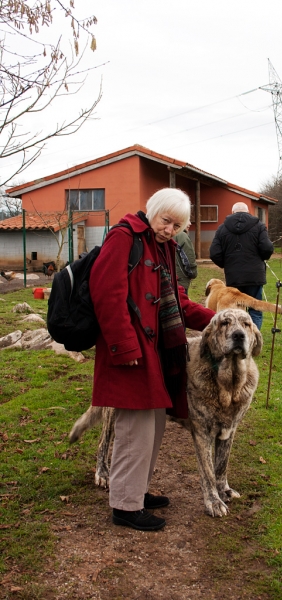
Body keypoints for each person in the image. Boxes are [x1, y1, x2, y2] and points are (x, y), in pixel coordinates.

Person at [89, 188, 215, 531]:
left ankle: (137, 491)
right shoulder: (124, 237)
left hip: (156, 349)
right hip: (131, 350)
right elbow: (107, 294)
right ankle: (125, 507)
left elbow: (177, 300)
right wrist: (124, 347)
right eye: (166, 220)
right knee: (136, 428)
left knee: (154, 424)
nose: (170, 229)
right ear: (153, 211)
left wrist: (216, 319)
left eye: (177, 225)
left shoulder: (163, 247)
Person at [209, 201, 274, 330]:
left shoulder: (223, 228)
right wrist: (262, 258)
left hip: (233, 277)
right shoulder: (259, 226)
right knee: (255, 308)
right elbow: (267, 247)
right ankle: (252, 339)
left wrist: (225, 264)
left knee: (234, 311)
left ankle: (235, 338)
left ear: (233, 212)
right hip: (254, 275)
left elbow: (214, 252)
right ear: (247, 212)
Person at [173, 220, 198, 294]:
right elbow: (188, 260)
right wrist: (193, 274)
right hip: (180, 281)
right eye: (188, 220)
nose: (190, 223)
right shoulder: (182, 236)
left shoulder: (169, 233)